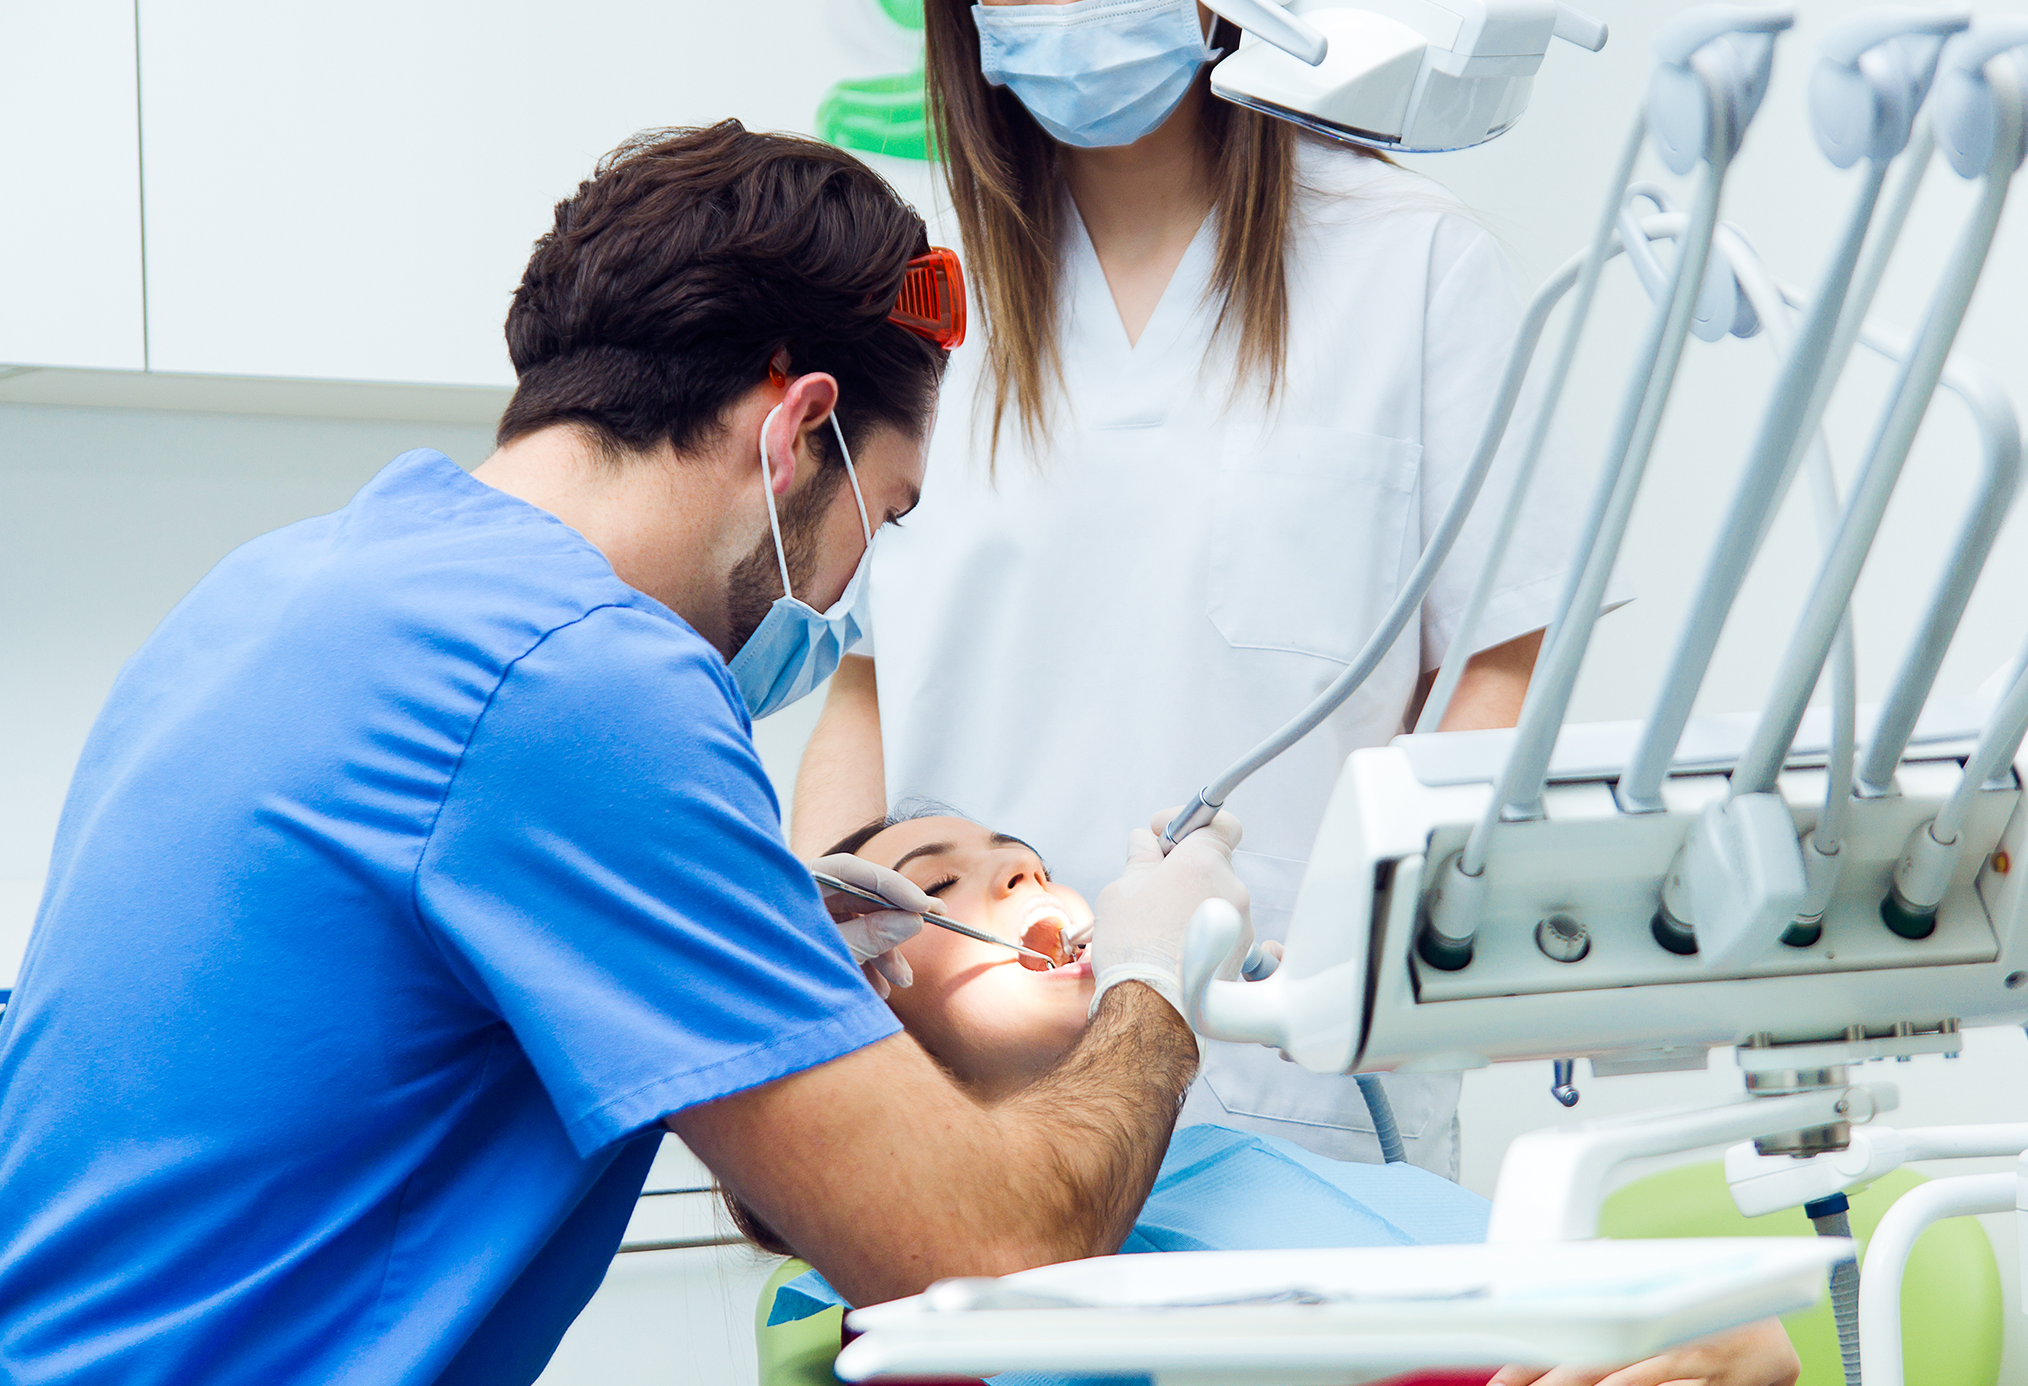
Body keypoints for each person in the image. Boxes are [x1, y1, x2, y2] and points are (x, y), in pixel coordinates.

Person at [0, 123, 1253, 1386]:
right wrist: (1156, 974)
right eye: (882, 513)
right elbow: (996, 1253)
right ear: (797, 428)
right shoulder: (580, 679)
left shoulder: (275, 586)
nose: (855, 581)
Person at [790, 0, 1620, 1175]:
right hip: (968, 1103)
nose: (1067, 20)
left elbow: (1505, 671)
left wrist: (1364, 942)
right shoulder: (924, 297)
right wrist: (840, 998)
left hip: (1295, 1079)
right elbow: (863, 677)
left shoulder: (1413, 266)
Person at [744, 812, 1801, 1386]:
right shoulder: (905, 1304)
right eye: (942, 879)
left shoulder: (1241, 1175)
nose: (1021, 873)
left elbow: (1717, 1344)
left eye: (1027, 861)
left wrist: (1716, 1337)